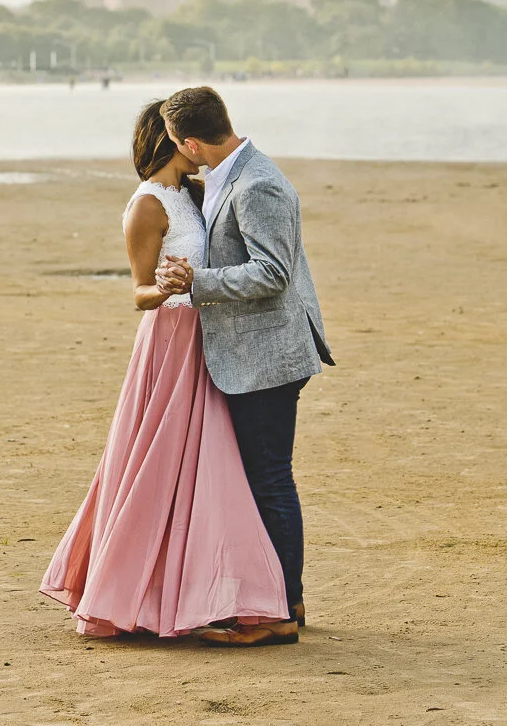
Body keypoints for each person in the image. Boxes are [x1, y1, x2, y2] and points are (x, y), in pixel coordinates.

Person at [39, 100, 291, 641]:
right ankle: (148, 594)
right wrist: (171, 287)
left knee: (210, 472)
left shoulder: (194, 195)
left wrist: (198, 282)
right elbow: (139, 294)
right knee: (159, 468)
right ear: (174, 142)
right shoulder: (147, 206)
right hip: (171, 343)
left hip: (209, 341)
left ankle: (232, 592)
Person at [156, 86, 335, 648]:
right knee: (261, 479)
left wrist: (198, 282)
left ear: (189, 140)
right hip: (250, 353)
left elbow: (273, 273)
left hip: (269, 356)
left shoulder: (257, 183)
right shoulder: (227, 176)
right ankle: (285, 601)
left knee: (269, 481)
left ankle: (281, 612)